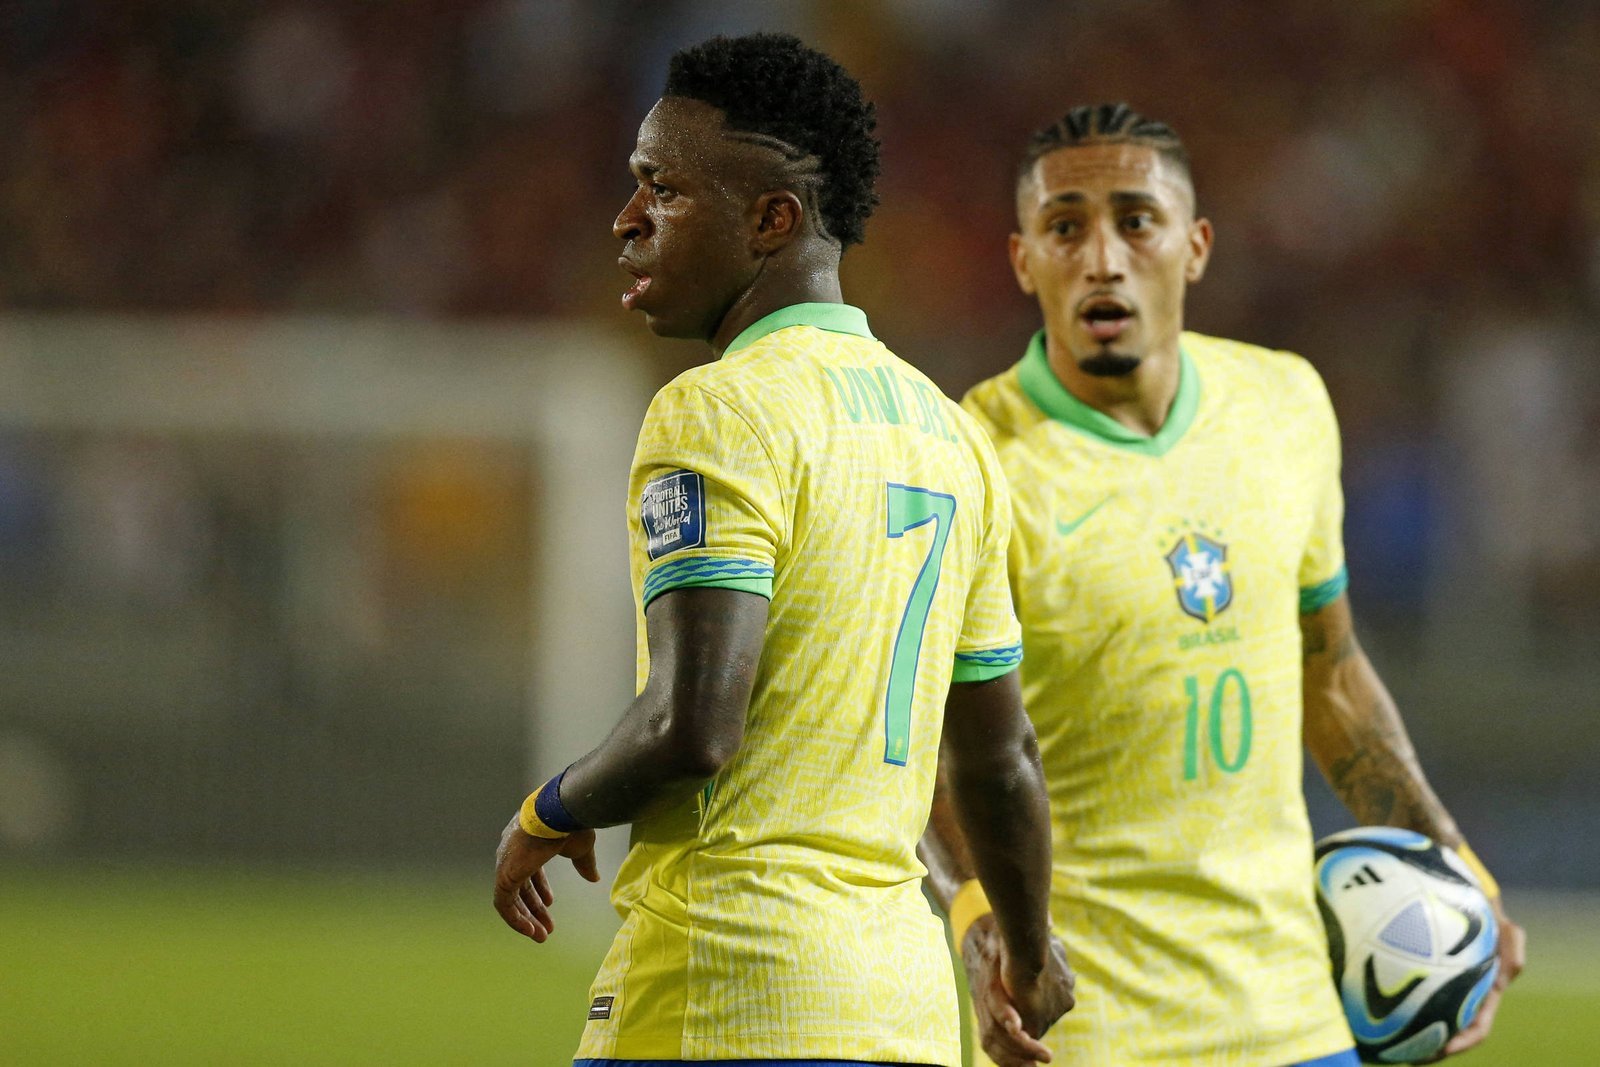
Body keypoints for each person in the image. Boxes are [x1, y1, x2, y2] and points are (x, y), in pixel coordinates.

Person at [491, 34, 1074, 1067]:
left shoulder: (717, 410)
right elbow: (998, 756)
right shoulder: (953, 438)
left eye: (663, 189)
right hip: (901, 1013)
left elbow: (691, 723)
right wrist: (1020, 951)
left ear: (772, 220)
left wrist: (550, 807)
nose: (627, 219)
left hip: (726, 986)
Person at [920, 103, 1525, 1067]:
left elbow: (1331, 677)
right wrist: (982, 925)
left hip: (1298, 1018)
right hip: (1088, 1027)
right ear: (1024, 260)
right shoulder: (969, 459)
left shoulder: (1285, 404)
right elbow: (921, 747)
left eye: (1136, 221)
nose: (1103, 258)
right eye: (1066, 228)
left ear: (1195, 246)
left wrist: (1463, 872)